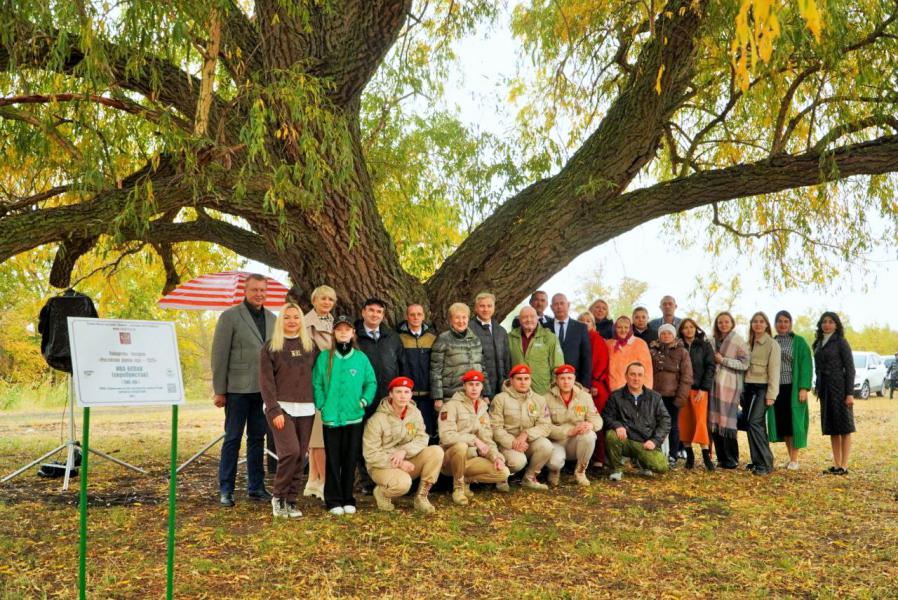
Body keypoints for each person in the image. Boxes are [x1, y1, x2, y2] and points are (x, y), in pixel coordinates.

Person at [211, 274, 275, 507]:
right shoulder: (230, 317)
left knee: (258, 439)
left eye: (262, 290)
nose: (259, 294)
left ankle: (256, 487)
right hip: (237, 389)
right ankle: (226, 489)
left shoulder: (272, 318)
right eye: (255, 290)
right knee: (233, 438)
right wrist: (220, 390)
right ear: (245, 291)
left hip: (263, 390)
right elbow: (219, 355)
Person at [312, 315, 377, 515]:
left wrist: (363, 401)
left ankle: (348, 498)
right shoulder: (325, 357)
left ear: (352, 333)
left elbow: (371, 382)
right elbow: (317, 383)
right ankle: (333, 500)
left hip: (354, 416)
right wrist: (322, 404)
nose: (343, 332)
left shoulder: (360, 358)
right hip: (331, 417)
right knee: (333, 458)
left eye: (346, 329)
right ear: (334, 332)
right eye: (339, 329)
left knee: (350, 458)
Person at [260, 303, 319, 518]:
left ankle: (291, 501)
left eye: (296, 317)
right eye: (287, 317)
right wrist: (274, 409)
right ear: (281, 320)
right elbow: (266, 382)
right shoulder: (271, 347)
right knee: (290, 452)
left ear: (301, 320)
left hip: (306, 408)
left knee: (300, 455)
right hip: (281, 408)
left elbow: (319, 377)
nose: (292, 321)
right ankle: (278, 497)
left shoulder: (310, 346)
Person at [363, 377, 444, 513]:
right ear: (391, 394)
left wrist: (404, 451)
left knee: (436, 451)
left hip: (408, 459)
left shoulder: (415, 413)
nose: (402, 396)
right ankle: (382, 492)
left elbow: (422, 437)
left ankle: (421, 497)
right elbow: (371, 454)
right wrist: (399, 463)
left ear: (411, 395)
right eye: (398, 392)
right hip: (381, 466)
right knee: (403, 484)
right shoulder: (377, 420)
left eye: (406, 392)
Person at [438, 370, 511, 503]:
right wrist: (474, 440)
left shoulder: (483, 408)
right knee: (461, 446)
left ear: (482, 387)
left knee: (503, 472)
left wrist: (495, 457)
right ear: (464, 386)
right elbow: (446, 437)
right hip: (450, 459)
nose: (474, 388)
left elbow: (487, 438)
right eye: (470, 384)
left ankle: (466, 479)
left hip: (471, 459)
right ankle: (458, 488)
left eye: (477, 384)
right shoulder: (451, 406)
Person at [354, 297, 403, 493]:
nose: (375, 315)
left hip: (387, 398)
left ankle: (389, 478)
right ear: (363, 312)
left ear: (383, 315)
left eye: (379, 312)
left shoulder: (392, 337)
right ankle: (367, 481)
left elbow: (401, 365)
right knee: (362, 439)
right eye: (371, 310)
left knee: (387, 438)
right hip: (363, 398)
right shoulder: (354, 336)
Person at [603, 362, 671, 481]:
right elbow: (606, 416)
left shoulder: (655, 397)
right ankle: (617, 469)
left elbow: (665, 421)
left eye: (640, 375)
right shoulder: (615, 396)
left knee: (662, 467)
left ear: (644, 377)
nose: (636, 378)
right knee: (611, 435)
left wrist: (655, 441)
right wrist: (617, 425)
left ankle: (641, 462)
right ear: (626, 376)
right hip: (625, 440)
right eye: (632, 374)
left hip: (645, 442)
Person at [489, 364, 554, 490]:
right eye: (519, 379)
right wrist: (513, 442)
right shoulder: (500, 399)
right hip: (506, 444)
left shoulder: (539, 400)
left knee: (546, 445)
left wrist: (526, 434)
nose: (523, 382)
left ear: (530, 380)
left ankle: (529, 479)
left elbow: (545, 425)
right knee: (517, 462)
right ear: (511, 380)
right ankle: (502, 477)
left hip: (527, 442)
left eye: (526, 378)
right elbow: (495, 428)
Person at [301, 284, 337, 502]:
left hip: (333, 382)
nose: (326, 303)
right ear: (314, 300)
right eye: (322, 299)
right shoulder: (307, 324)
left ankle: (313, 479)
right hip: (317, 382)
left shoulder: (334, 322)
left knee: (321, 432)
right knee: (319, 434)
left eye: (330, 299)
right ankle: (323, 481)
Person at [768, 310, 813, 470]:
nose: (782, 324)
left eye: (786, 321)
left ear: (791, 324)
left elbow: (806, 365)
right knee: (785, 425)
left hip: (792, 389)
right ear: (775, 324)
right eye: (779, 321)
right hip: (776, 388)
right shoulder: (772, 341)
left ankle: (795, 459)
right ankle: (790, 459)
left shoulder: (799, 342)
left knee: (795, 424)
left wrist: (803, 388)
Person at [545, 365, 603, 486]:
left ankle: (580, 471)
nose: (566, 382)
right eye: (562, 378)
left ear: (574, 379)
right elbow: (544, 427)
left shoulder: (585, 397)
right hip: (556, 441)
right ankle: (554, 472)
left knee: (590, 435)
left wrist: (590, 425)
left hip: (575, 442)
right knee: (555, 462)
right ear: (556, 380)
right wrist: (568, 432)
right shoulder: (546, 398)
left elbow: (597, 419)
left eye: (569, 378)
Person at [813, 312, 855, 475]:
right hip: (825, 389)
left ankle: (844, 465)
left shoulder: (841, 342)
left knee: (844, 427)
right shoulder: (818, 343)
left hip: (840, 388)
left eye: (831, 322)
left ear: (836, 325)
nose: (827, 324)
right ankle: (836, 464)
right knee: (832, 427)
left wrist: (849, 393)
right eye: (824, 322)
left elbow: (850, 368)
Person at [708, 312, 749, 469]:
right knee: (715, 421)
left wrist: (723, 360)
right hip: (713, 387)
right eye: (720, 322)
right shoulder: (711, 341)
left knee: (728, 421)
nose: (723, 325)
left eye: (726, 322)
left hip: (730, 387)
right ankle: (721, 458)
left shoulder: (738, 340)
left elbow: (745, 363)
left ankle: (732, 458)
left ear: (732, 323)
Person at [649, 323, 693, 467]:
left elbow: (687, 376)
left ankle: (673, 455)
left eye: (669, 333)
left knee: (673, 426)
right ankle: (655, 453)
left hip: (673, 395)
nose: (666, 336)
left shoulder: (682, 352)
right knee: (655, 424)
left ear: (674, 335)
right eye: (663, 333)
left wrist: (680, 397)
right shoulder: (653, 351)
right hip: (655, 395)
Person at [743, 312, 781, 475]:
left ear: (766, 325)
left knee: (754, 422)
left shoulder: (772, 344)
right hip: (748, 389)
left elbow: (774, 370)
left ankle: (766, 463)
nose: (758, 324)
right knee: (752, 425)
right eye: (755, 322)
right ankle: (758, 461)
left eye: (761, 322)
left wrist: (771, 394)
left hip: (762, 388)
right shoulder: (748, 343)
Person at [431, 302, 491, 407]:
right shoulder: (443, 339)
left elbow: (483, 369)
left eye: (464, 317)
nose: (461, 321)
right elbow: (435, 371)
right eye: (457, 318)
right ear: (450, 320)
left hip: (474, 395)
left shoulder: (475, 339)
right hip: (451, 396)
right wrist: (438, 397)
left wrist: (486, 393)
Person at [677, 318, 715, 470]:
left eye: (691, 327)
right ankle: (690, 457)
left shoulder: (705, 346)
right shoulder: (678, 346)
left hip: (699, 390)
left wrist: (704, 388)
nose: (688, 330)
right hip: (682, 390)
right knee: (685, 423)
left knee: (700, 422)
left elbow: (710, 367)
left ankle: (706, 457)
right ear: (681, 330)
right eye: (685, 327)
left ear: (695, 328)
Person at [396, 304, 438, 440]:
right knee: (409, 432)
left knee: (428, 432)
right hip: (407, 395)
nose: (415, 317)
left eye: (419, 314)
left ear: (423, 316)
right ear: (407, 317)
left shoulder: (432, 338)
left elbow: (436, 365)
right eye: (412, 314)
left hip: (428, 395)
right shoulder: (399, 338)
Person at [577, 312, 611, 467]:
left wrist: (593, 384)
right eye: (581, 321)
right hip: (578, 386)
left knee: (595, 421)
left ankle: (599, 457)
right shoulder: (576, 338)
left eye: (588, 321)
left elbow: (601, 363)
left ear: (593, 324)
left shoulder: (596, 339)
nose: (585, 323)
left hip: (595, 386)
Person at [508, 306, 565, 394]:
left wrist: (553, 389)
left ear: (537, 318)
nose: (529, 319)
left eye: (532, 316)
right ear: (519, 320)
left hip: (543, 391)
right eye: (525, 317)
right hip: (516, 392)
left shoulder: (549, 337)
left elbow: (558, 366)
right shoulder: (510, 337)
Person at [544, 293, 593, 389]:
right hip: (550, 382)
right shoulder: (544, 328)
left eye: (562, 303)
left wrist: (585, 385)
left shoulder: (581, 328)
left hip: (575, 381)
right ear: (551, 307)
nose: (559, 307)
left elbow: (586, 358)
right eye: (556, 304)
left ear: (568, 305)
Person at [470, 292, 512, 399]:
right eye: (482, 306)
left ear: (494, 308)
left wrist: (507, 383)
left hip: (501, 386)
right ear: (475, 308)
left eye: (489, 306)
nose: (486, 309)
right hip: (478, 387)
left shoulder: (501, 331)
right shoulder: (469, 329)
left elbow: (507, 359)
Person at [606, 315, 654, 392]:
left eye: (626, 327)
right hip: (613, 390)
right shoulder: (608, 344)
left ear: (630, 329)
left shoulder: (640, 343)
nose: (623, 330)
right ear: (614, 329)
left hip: (636, 390)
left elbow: (647, 370)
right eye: (619, 327)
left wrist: (646, 391)